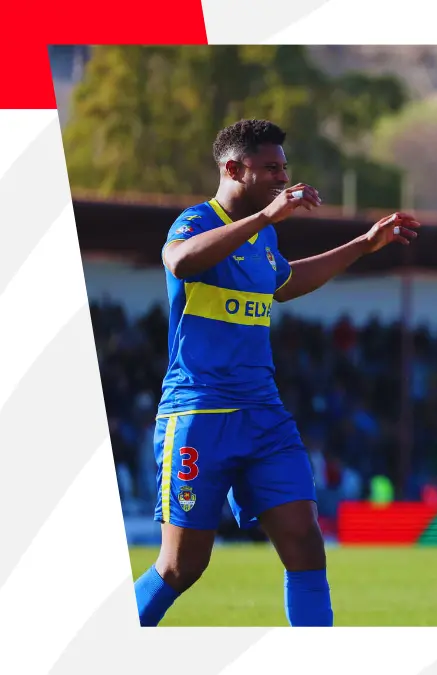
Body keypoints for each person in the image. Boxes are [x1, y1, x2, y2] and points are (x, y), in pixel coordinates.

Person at [136, 119, 420, 627]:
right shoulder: (197, 221)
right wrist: (267, 213)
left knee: (306, 542)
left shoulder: (265, 236)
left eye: (283, 168)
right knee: (182, 565)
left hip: (263, 414)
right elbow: (180, 263)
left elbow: (284, 283)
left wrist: (364, 244)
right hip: (200, 411)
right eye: (270, 168)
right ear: (232, 168)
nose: (281, 178)